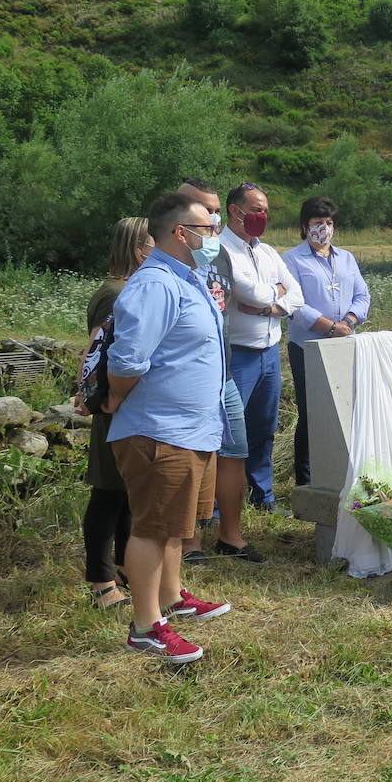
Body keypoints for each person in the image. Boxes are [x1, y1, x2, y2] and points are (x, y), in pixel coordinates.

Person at [105, 193, 231, 664]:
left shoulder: (188, 278)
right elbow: (128, 358)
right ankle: (145, 626)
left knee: (175, 526)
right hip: (160, 430)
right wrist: (117, 395)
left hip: (192, 428)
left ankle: (173, 599)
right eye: (208, 227)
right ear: (183, 233)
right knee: (153, 528)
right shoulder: (156, 283)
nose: (214, 235)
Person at [175, 178, 261, 564]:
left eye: (214, 210)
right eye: (204, 210)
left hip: (223, 376)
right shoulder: (169, 257)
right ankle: (189, 542)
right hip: (187, 379)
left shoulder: (220, 254)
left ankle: (231, 536)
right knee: (194, 458)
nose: (213, 218)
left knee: (235, 453)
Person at [80, 217, 150, 610]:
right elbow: (101, 352)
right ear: (139, 248)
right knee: (107, 494)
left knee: (126, 494)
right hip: (113, 405)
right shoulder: (114, 293)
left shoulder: (127, 288)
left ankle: (124, 566)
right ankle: (101, 579)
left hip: (127, 405)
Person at [220, 182, 304, 510]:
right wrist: (275, 292)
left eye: (266, 210)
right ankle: (214, 507)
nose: (262, 216)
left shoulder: (267, 251)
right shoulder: (222, 250)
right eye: (256, 210)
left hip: (269, 354)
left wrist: (269, 305)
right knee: (228, 431)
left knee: (263, 429)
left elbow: (296, 294)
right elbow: (247, 292)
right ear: (235, 210)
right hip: (238, 354)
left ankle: (262, 497)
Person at [283, 196, 371, 486]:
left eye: (329, 223)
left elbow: (362, 295)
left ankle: (345, 471)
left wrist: (348, 322)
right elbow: (294, 304)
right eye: (318, 223)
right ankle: (306, 479)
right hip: (308, 346)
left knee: (347, 407)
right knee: (312, 411)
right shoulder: (292, 260)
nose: (324, 228)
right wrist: (329, 327)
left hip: (346, 343)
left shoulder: (346, 258)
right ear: (304, 226)